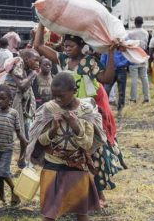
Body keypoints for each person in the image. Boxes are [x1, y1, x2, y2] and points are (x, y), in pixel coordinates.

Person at [34, 24, 123, 207]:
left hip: (87, 111)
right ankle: (74, 194)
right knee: (68, 150)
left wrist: (112, 54)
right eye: (65, 46)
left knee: (94, 152)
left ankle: (99, 197)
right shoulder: (63, 60)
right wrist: (42, 24)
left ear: (81, 46)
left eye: (70, 46)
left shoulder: (87, 62)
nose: (67, 49)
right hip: (67, 110)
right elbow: (38, 47)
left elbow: (106, 78)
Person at [25, 72, 105, 221]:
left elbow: (87, 143)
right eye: (54, 95)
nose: (57, 100)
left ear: (74, 91)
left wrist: (75, 124)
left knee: (82, 211)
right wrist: (53, 130)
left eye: (61, 96)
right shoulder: (49, 110)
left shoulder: (86, 111)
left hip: (77, 167)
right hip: (53, 166)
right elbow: (38, 140)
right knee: (49, 213)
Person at [5, 51, 39, 139]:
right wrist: (32, 74)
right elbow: (21, 85)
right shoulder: (17, 66)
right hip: (11, 103)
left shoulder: (27, 69)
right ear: (26, 59)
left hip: (23, 104)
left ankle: (26, 148)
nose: (37, 63)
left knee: (25, 129)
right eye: (35, 60)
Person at [126, 16, 150, 103]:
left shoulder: (130, 33)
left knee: (134, 79)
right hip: (143, 55)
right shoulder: (146, 32)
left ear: (135, 23)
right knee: (144, 77)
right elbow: (146, 44)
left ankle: (133, 98)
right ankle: (146, 97)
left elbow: (128, 44)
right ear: (142, 23)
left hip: (134, 56)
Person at [100, 49, 130, 117]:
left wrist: (121, 64)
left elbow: (128, 58)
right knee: (105, 91)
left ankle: (120, 110)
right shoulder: (109, 46)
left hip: (121, 70)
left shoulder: (123, 46)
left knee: (121, 92)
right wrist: (103, 67)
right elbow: (103, 57)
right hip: (110, 70)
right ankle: (104, 109)